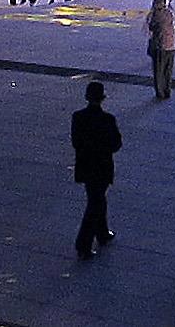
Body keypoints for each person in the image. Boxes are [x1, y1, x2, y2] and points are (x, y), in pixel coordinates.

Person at [71, 81, 123, 259]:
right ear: (102, 98)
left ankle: (102, 232)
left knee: (96, 198)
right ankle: (84, 243)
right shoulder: (108, 119)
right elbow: (116, 144)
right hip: (102, 166)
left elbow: (76, 142)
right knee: (96, 202)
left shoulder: (78, 117)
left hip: (85, 165)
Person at [146, 0, 175, 99]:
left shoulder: (157, 14)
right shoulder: (169, 13)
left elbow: (152, 27)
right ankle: (167, 90)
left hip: (160, 45)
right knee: (168, 70)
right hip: (171, 45)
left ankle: (160, 92)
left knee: (158, 70)